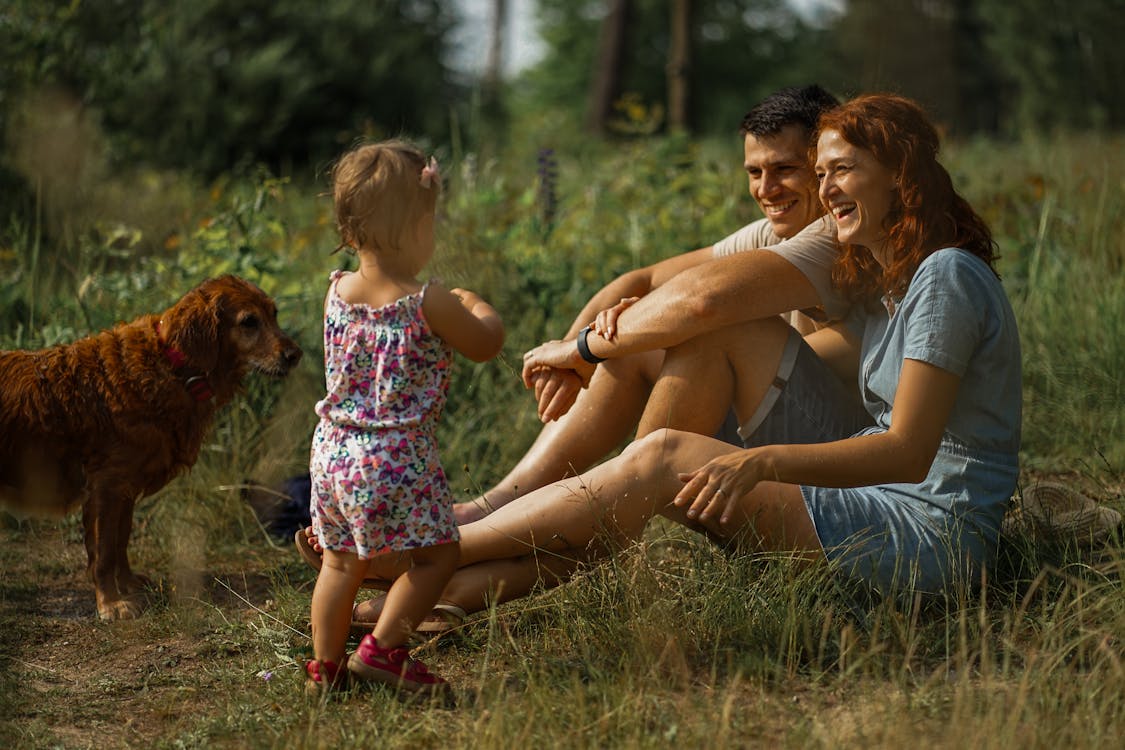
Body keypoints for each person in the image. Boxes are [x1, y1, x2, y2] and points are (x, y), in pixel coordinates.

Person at [361, 93, 1022, 614]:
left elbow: (907, 450)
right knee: (663, 438)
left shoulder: (945, 278)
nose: (826, 191)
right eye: (820, 174)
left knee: (663, 454)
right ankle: (438, 591)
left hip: (928, 540)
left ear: (898, 174)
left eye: (841, 170)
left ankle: (427, 553)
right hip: (874, 505)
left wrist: (759, 461)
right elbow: (674, 294)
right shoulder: (892, 277)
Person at [300, 85, 859, 625]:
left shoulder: (836, 237)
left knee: (690, 340)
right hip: (770, 464)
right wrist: (572, 361)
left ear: (823, 165)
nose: (766, 187)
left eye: (784, 169)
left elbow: (705, 304)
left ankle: (431, 552)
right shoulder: (770, 234)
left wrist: (586, 347)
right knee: (635, 394)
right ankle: (474, 545)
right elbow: (637, 278)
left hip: (836, 489)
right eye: (754, 172)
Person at [303, 140, 504, 694]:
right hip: (395, 455)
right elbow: (485, 344)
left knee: (341, 565)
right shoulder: (429, 301)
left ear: (348, 229)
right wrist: (477, 305)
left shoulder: (336, 290)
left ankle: (324, 670)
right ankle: (383, 651)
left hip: (332, 451)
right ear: (419, 226)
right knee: (438, 556)